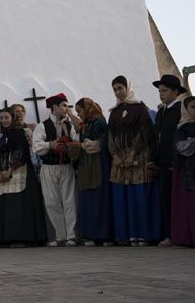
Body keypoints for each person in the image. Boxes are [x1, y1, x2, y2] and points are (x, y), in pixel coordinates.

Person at [107, 76, 160, 245]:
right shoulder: (114, 112)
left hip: (138, 157)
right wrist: (115, 155)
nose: (118, 92)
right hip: (120, 161)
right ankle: (127, 235)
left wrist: (132, 153)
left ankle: (143, 234)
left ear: (127, 87)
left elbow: (145, 132)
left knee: (138, 195)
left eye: (120, 88)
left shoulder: (140, 107)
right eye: (115, 89)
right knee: (123, 196)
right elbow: (110, 136)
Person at [0, 107, 47, 246]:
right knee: (9, 207)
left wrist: (10, 169)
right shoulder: (3, 136)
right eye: (2, 118)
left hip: (20, 172)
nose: (4, 120)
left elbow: (21, 152)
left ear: (13, 118)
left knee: (20, 207)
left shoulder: (19, 133)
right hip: (5, 175)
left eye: (6, 117)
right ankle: (9, 237)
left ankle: (23, 237)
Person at [33, 94, 80, 246]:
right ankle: (60, 236)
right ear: (54, 107)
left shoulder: (70, 125)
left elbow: (77, 140)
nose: (67, 109)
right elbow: (36, 146)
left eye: (67, 106)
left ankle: (71, 236)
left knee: (69, 201)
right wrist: (49, 145)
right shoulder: (42, 126)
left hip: (66, 166)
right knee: (52, 202)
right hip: (49, 167)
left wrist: (71, 146)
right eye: (64, 105)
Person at [70, 97, 113, 245]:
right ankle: (91, 235)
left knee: (99, 199)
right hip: (86, 166)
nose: (79, 114)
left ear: (87, 109)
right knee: (88, 200)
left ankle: (104, 235)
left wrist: (83, 145)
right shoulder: (86, 124)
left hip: (98, 165)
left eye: (80, 111)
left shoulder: (100, 122)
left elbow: (103, 143)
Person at [152, 74, 187, 245]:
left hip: (176, 163)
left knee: (178, 200)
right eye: (159, 91)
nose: (161, 94)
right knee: (165, 199)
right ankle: (170, 234)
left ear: (175, 92)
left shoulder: (181, 110)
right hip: (163, 163)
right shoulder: (161, 112)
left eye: (164, 91)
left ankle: (180, 234)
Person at [172, 94, 195, 248]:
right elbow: (182, 148)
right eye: (192, 107)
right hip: (189, 173)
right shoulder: (182, 128)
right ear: (185, 110)